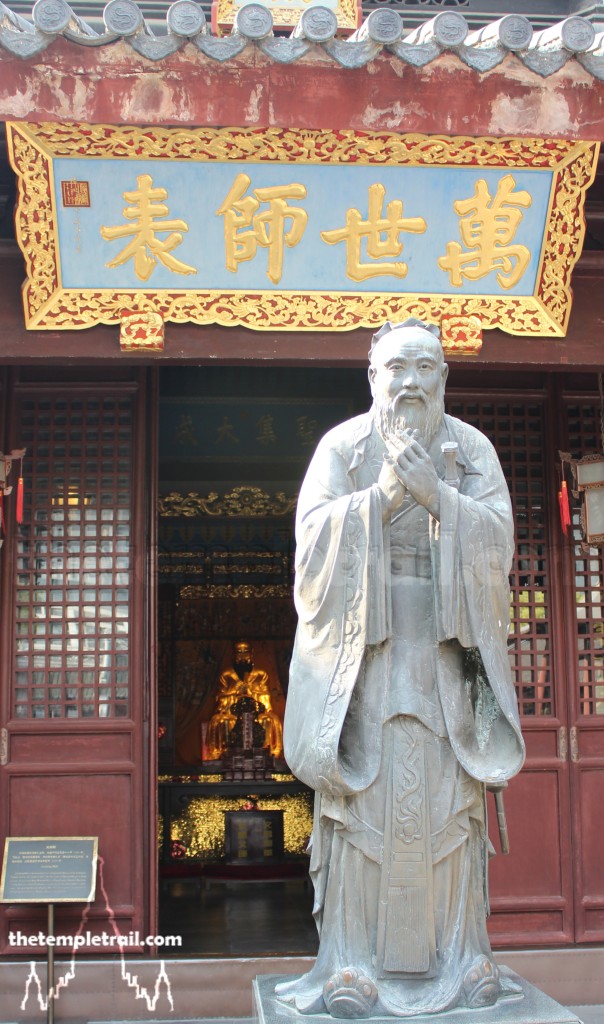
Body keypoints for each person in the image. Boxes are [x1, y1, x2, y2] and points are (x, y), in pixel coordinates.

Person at [277, 319, 525, 1018]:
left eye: (425, 367)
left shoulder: (470, 449)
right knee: (365, 813)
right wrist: (385, 496)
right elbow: (310, 554)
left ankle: (464, 956)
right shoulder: (344, 449)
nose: (410, 381)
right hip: (366, 666)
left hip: (447, 664)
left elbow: (499, 546)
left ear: (444, 378)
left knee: (452, 809)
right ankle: (353, 962)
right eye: (397, 368)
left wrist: (439, 498)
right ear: (373, 379)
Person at [206, 640, 283, 758]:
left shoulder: (260, 674)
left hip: (255, 713)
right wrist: (236, 692)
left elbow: (265, 696)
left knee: (269, 719)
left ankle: (268, 753)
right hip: (233, 713)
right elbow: (220, 697)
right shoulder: (226, 675)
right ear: (234, 655)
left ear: (251, 653)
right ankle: (223, 754)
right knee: (221, 720)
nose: (242, 655)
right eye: (239, 652)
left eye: (245, 652)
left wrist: (251, 692)